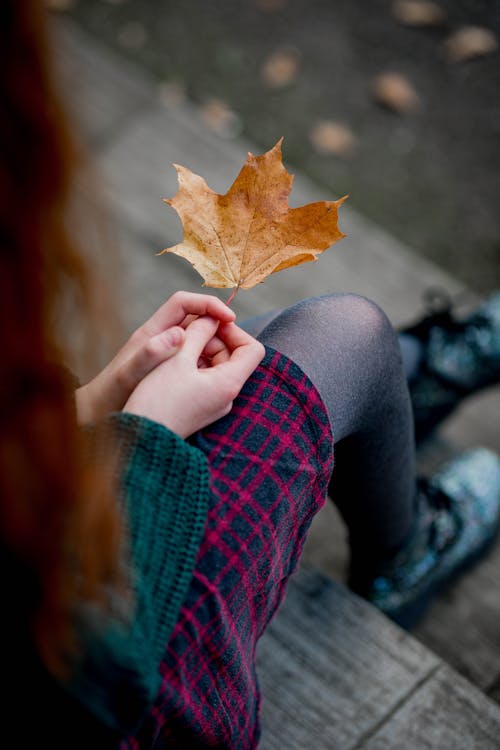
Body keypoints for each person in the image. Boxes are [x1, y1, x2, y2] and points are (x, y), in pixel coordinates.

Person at [2, 2, 500, 748]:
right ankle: (400, 552)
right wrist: (148, 432)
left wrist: (102, 395)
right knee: (349, 334)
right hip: (124, 682)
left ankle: (391, 402)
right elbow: (82, 677)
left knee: (273, 344)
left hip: (59, 542)